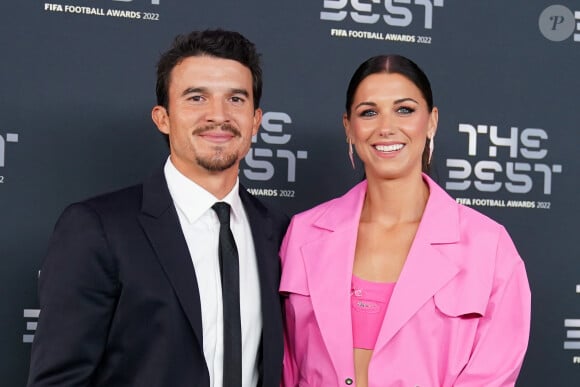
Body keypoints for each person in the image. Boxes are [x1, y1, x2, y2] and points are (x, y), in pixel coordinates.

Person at [27, 29, 289, 387]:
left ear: (256, 121)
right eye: (196, 98)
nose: (219, 115)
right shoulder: (98, 228)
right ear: (162, 118)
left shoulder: (279, 231)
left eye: (236, 99)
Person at [279, 55, 531, 386]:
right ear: (349, 128)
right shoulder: (303, 233)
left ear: (431, 122)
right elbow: (283, 364)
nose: (386, 127)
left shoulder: (489, 245)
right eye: (369, 112)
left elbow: (492, 375)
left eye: (405, 110)